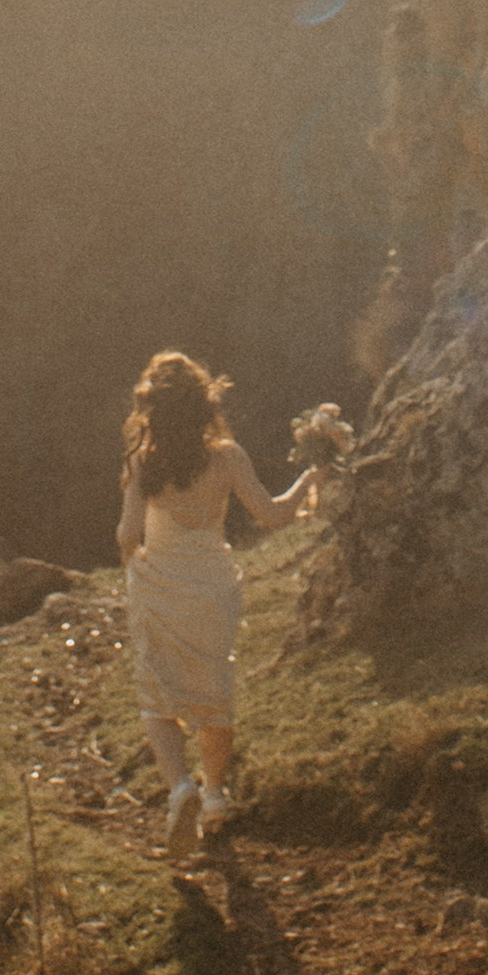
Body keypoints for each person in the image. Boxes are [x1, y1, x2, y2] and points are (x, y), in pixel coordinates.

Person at [116, 351, 315, 857]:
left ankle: (180, 786)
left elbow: (127, 533)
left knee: (157, 695)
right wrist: (313, 477)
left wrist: (134, 566)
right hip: (211, 586)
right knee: (213, 691)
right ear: (206, 406)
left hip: (160, 583)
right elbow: (273, 515)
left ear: (153, 411)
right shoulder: (228, 458)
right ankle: (215, 796)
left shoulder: (144, 462)